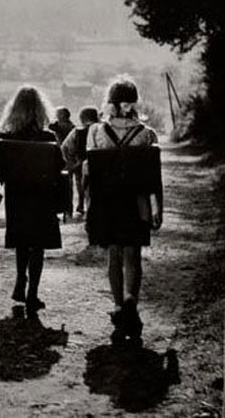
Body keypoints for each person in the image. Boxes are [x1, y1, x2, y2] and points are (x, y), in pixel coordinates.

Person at [85, 75, 162, 344]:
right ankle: (132, 300)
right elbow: (153, 177)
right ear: (134, 102)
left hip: (107, 203)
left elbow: (89, 173)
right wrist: (157, 209)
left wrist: (87, 207)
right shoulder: (146, 134)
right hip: (135, 203)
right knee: (134, 255)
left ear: (110, 102)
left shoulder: (96, 132)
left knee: (114, 255)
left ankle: (118, 306)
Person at [0, 86, 63, 312]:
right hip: (42, 196)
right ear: (41, 110)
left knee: (22, 241)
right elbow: (61, 164)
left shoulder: (7, 136)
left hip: (17, 195)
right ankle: (33, 294)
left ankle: (20, 279)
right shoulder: (47, 136)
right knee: (37, 246)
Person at [61, 106, 100, 216]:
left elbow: (65, 147)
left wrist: (71, 162)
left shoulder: (78, 132)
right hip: (100, 166)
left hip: (80, 164)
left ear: (82, 118)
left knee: (81, 185)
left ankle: (81, 205)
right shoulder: (102, 129)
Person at [49, 106, 76, 222]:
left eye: (58, 113)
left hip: (59, 158)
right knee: (68, 185)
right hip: (69, 158)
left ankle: (60, 209)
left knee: (57, 184)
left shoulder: (57, 127)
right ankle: (68, 209)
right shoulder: (72, 127)